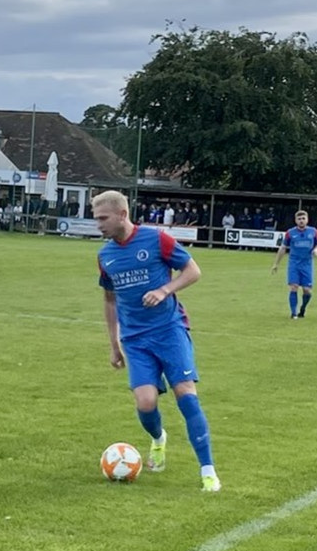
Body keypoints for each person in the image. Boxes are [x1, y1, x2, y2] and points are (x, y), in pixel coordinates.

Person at [91, 190, 221, 492]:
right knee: (146, 402)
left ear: (122, 215)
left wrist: (165, 290)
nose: (98, 225)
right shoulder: (105, 256)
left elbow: (193, 270)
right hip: (135, 340)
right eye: (96, 218)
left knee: (186, 394)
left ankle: (208, 470)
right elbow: (110, 301)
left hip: (169, 329)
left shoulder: (156, 239)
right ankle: (159, 439)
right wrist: (114, 344)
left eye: (103, 218)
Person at [271, 210, 317, 319]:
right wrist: (276, 264)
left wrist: (316, 250)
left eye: (303, 218)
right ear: (295, 220)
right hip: (294, 264)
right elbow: (283, 248)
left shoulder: (313, 231)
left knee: (307, 290)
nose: (301, 221)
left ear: (307, 220)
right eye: (299, 219)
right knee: (293, 287)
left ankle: (302, 308)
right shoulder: (290, 233)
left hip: (307, 264)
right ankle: (293, 313)